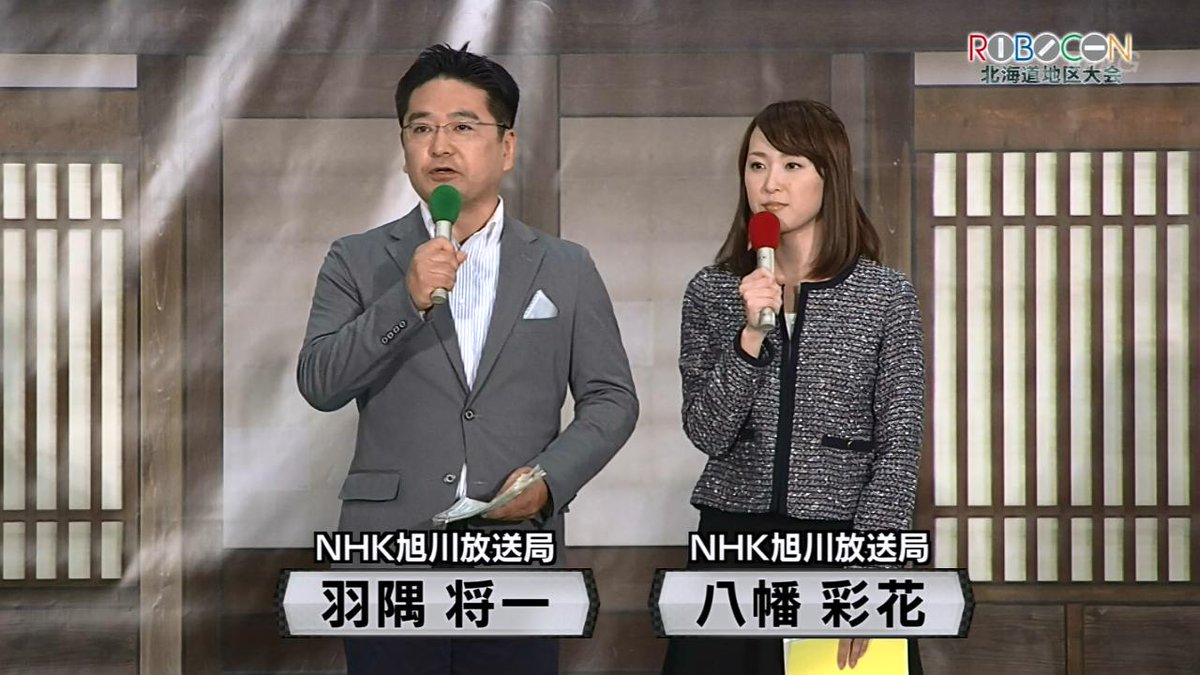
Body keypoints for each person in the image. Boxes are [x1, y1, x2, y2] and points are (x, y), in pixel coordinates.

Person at [297, 43, 639, 675]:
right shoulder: (356, 258)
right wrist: (404, 300)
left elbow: (612, 399)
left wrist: (548, 483)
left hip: (516, 556)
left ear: (506, 147)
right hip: (388, 556)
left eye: (462, 127)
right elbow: (319, 382)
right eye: (421, 128)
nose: (439, 146)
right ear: (404, 146)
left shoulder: (565, 267)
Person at [661, 100, 925, 674]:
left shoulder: (885, 296)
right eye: (757, 165)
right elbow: (707, 432)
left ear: (830, 175)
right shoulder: (712, 291)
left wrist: (872, 570)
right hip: (732, 544)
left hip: (842, 544)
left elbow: (899, 445)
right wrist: (749, 339)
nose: (770, 184)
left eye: (792, 165)